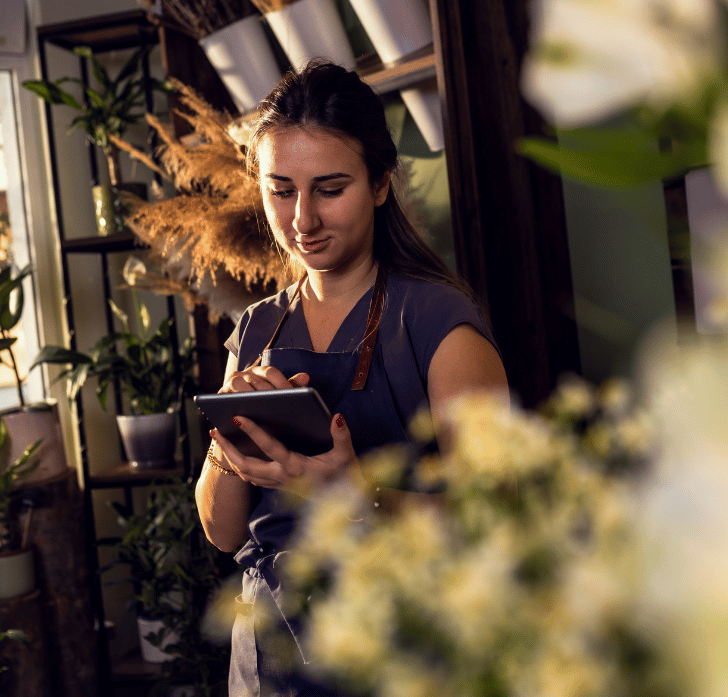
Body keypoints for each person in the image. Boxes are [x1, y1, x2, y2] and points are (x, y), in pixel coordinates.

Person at [195, 61, 508, 696]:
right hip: (271, 650)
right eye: (281, 191)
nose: (302, 220)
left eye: (330, 189)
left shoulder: (438, 325)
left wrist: (354, 489)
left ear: (381, 183)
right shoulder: (255, 330)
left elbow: (497, 522)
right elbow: (223, 534)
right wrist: (229, 449)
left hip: (402, 646)